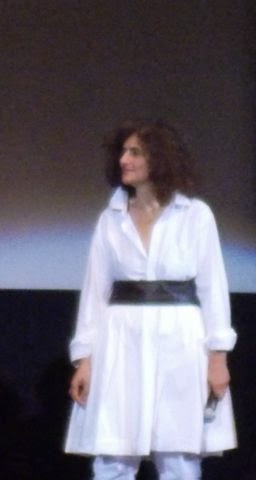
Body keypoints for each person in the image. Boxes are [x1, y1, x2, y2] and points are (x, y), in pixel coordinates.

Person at [64, 120, 237, 479]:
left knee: (178, 456)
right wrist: (85, 359)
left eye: (135, 152)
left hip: (179, 341)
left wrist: (217, 358)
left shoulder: (194, 215)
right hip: (122, 342)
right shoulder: (111, 219)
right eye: (123, 151)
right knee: (113, 456)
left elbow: (213, 289)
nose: (124, 160)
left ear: (158, 158)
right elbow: (95, 293)